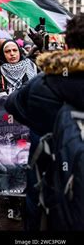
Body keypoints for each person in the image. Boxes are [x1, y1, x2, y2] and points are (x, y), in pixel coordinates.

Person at [5, 13, 84, 230]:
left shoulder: (43, 83)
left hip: (45, 174)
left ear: (67, 44)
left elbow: (12, 105)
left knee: (37, 214)